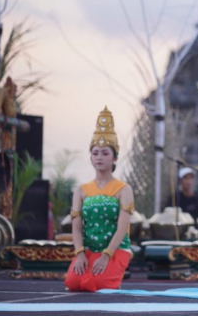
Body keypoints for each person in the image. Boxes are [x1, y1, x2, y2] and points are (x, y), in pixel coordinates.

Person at [64, 107, 134, 292]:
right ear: (90, 157)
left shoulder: (123, 189)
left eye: (105, 153)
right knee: (73, 283)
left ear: (115, 157)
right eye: (95, 153)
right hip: (88, 250)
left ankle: (111, 272)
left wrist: (107, 255)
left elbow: (122, 228)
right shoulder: (81, 190)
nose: (99, 157)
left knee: (99, 285)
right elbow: (77, 227)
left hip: (115, 250)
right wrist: (79, 254)